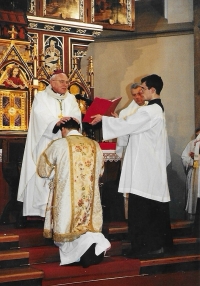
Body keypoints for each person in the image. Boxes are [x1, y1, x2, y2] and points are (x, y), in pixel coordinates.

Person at [90, 74, 173, 257]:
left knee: (142, 210)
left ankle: (145, 248)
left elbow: (128, 124)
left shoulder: (150, 111)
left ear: (152, 90)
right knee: (147, 209)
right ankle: (149, 246)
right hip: (147, 167)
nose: (141, 92)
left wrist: (105, 119)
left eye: (143, 88)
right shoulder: (154, 110)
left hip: (145, 170)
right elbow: (129, 126)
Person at [37, 118, 111, 267]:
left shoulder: (59, 144)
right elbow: (101, 171)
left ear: (63, 130)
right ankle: (91, 248)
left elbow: (43, 170)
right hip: (89, 197)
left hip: (66, 197)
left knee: (67, 229)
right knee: (86, 227)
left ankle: (79, 254)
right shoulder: (95, 145)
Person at [17, 71, 81, 221]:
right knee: (44, 177)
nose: (66, 84)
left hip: (66, 144)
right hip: (46, 142)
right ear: (52, 83)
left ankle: (62, 210)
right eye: (62, 81)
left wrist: (71, 120)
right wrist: (55, 122)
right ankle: (42, 210)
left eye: (67, 82)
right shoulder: (41, 97)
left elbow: (76, 115)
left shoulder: (71, 98)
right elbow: (40, 116)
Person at [113, 83, 147, 219]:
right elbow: (122, 139)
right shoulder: (125, 113)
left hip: (145, 155)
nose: (138, 97)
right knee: (131, 186)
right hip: (131, 155)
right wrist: (117, 123)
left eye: (140, 93)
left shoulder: (151, 110)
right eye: (134, 95)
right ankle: (130, 217)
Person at [181, 128, 200, 221]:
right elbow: (184, 157)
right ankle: (192, 222)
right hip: (194, 173)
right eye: (197, 135)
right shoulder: (191, 144)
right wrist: (192, 161)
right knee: (194, 198)